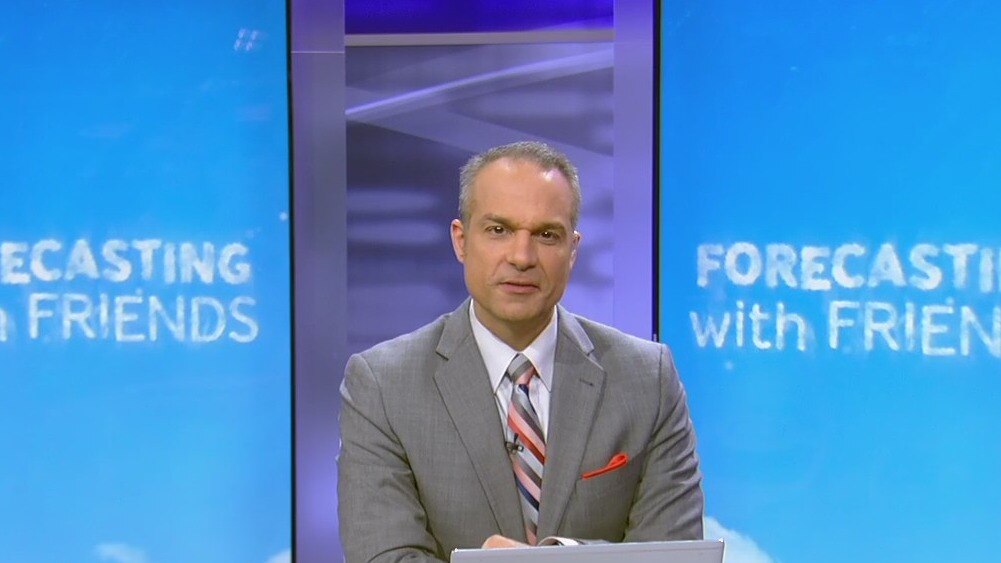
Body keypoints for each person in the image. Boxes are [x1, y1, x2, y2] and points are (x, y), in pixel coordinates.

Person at [338, 141, 703, 562]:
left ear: (573, 250)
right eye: (499, 230)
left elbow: (675, 555)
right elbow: (385, 557)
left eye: (547, 235)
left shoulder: (648, 379)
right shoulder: (383, 386)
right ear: (461, 240)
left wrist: (557, 557)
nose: (522, 256)